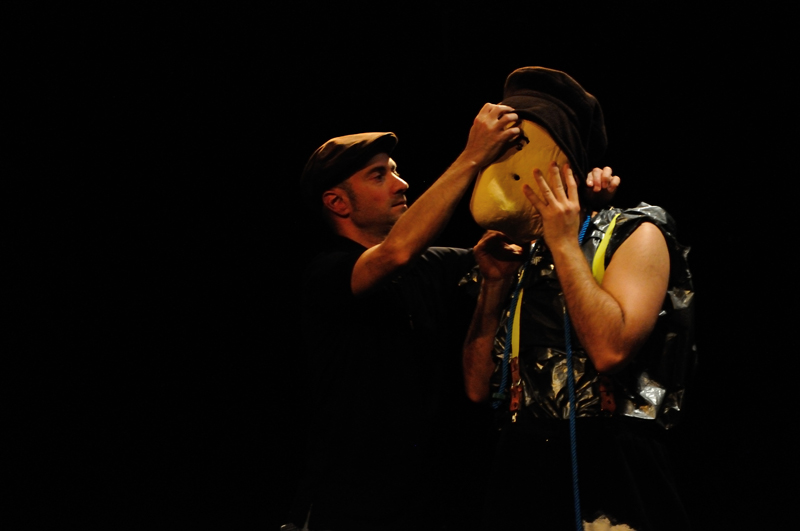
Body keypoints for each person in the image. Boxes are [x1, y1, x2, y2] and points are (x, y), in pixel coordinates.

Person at [285, 102, 621, 531]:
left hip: (429, 505)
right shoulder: (326, 273)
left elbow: (532, 247)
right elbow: (396, 253)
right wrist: (472, 156)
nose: (401, 184)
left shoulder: (433, 266)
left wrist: (584, 206)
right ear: (337, 202)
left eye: (394, 169)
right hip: (350, 506)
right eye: (378, 175)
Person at [462, 67, 695, 531]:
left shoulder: (635, 232)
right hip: (522, 460)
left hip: (608, 463)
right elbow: (475, 388)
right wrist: (491, 288)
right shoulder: (514, 256)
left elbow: (611, 351)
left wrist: (566, 244)